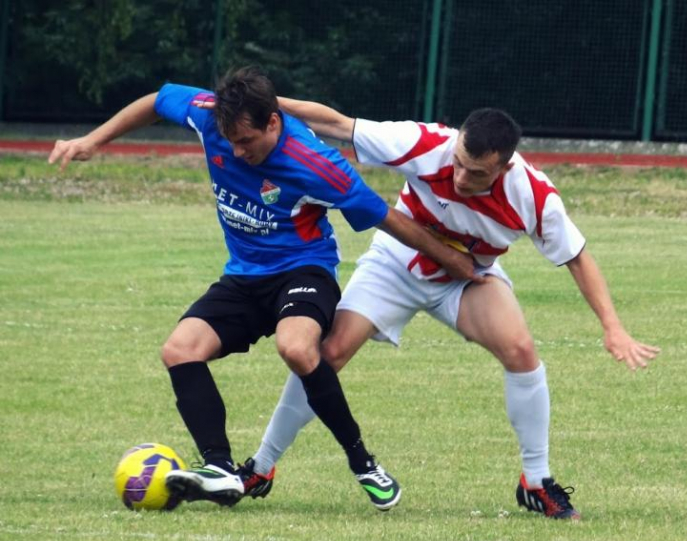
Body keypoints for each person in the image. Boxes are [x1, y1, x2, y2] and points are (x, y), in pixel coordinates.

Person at [48, 66, 480, 511]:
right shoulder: (209, 115)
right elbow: (158, 100)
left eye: (246, 141)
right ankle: (219, 468)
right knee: (179, 350)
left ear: (273, 122)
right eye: (230, 141)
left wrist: (451, 259)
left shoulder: (318, 165)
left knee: (296, 348)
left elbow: (387, 218)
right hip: (243, 277)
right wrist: (92, 141)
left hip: (303, 271)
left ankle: (362, 462)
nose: (237, 152)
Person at [237, 99, 661, 520]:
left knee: (521, 351)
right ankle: (261, 466)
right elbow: (338, 124)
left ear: (504, 167)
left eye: (476, 173)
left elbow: (577, 257)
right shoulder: (426, 143)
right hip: (395, 263)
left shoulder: (532, 195)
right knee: (327, 354)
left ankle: (536, 482)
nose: (460, 177)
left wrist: (613, 327)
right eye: (458, 162)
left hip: (467, 278)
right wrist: (261, 102)